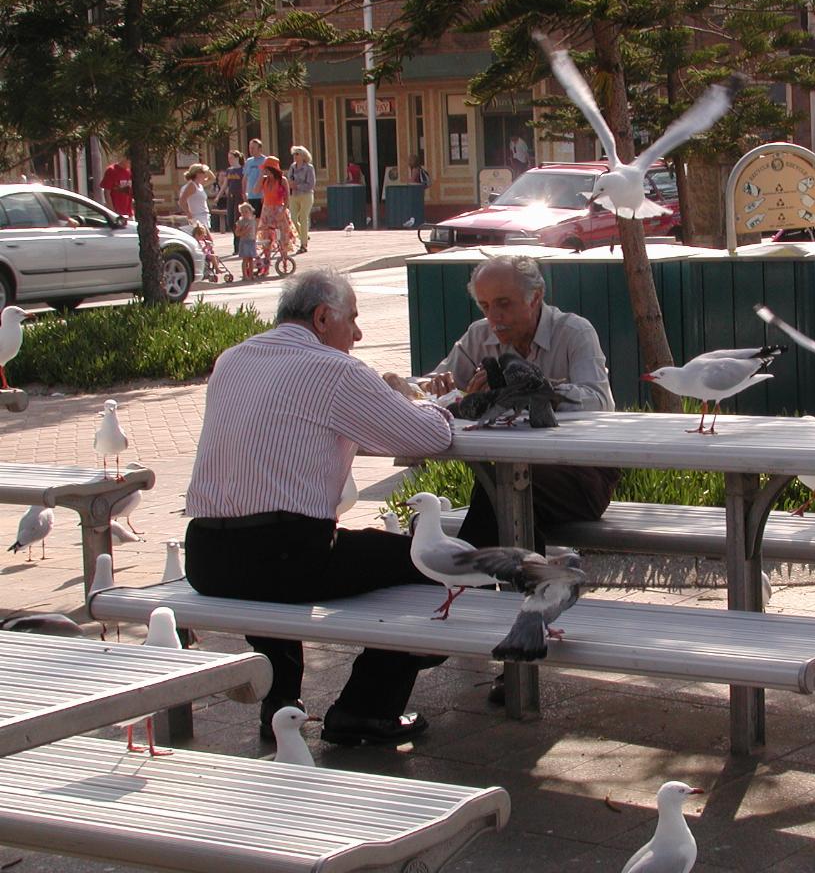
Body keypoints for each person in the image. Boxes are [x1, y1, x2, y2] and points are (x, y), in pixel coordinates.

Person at [184, 268, 454, 746]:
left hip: (206, 556)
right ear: (323, 316)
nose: (358, 333)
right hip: (286, 557)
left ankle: (281, 705)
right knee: (431, 564)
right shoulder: (335, 370)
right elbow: (428, 437)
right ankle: (365, 708)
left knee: (287, 557)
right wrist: (424, 400)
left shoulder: (232, 359)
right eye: (352, 319)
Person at [423, 255, 619, 704]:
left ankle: (457, 605)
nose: (494, 318)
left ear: (537, 297)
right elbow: (441, 382)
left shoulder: (574, 332)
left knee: (498, 501)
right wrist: (431, 386)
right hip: (511, 474)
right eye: (486, 305)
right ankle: (510, 645)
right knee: (502, 497)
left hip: (581, 475)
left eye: (505, 304)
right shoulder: (480, 337)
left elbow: (598, 403)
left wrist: (533, 389)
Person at [256, 155, 296, 268]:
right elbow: (255, 190)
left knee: (282, 237)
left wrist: (283, 211)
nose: (266, 172)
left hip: (279, 209)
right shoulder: (265, 180)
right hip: (267, 210)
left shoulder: (282, 180)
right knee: (266, 237)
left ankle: (284, 261)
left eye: (267, 169)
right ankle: (266, 262)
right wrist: (261, 176)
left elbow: (287, 197)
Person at [287, 146, 316, 254]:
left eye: (297, 154)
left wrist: (297, 186)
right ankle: (304, 235)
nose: (295, 156)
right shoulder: (292, 167)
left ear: (303, 155)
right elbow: (289, 178)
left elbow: (311, 184)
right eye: (294, 154)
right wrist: (290, 184)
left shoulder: (309, 168)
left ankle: (303, 244)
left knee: (303, 217)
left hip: (306, 195)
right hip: (293, 195)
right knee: (293, 218)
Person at [178, 163, 214, 234]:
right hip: (197, 216)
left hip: (204, 215)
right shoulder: (192, 185)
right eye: (203, 173)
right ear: (198, 174)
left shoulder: (199, 185)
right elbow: (181, 201)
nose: (205, 174)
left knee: (205, 239)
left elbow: (212, 178)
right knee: (203, 238)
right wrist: (188, 213)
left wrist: (206, 169)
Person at [220, 150, 245, 244]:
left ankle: (238, 243)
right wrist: (218, 196)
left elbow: (245, 183)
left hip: (240, 197)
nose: (229, 160)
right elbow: (225, 184)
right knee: (230, 221)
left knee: (237, 219)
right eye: (228, 158)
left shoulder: (242, 169)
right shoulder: (229, 170)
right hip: (231, 197)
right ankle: (237, 236)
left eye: (231, 158)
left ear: (237, 158)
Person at [235, 202, 259, 279]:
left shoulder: (253, 221)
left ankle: (251, 275)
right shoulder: (240, 222)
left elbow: (255, 230)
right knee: (245, 259)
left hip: (251, 241)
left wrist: (255, 237)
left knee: (251, 259)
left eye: (246, 211)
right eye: (242, 212)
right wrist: (244, 231)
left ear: (250, 211)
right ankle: (245, 275)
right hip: (244, 242)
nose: (244, 213)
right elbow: (237, 233)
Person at [243, 139, 267, 218]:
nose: (251, 150)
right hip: (250, 195)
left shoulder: (265, 161)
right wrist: (244, 193)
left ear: (260, 149)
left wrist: (265, 194)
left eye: (253, 148)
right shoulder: (248, 161)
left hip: (261, 196)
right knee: (252, 218)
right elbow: (245, 178)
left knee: (260, 218)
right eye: (250, 148)